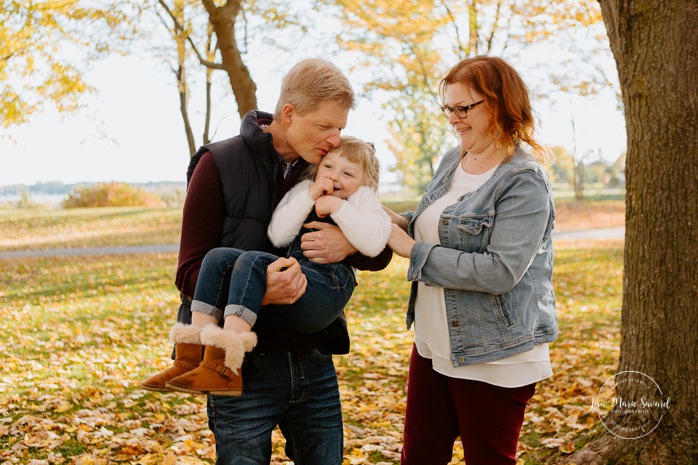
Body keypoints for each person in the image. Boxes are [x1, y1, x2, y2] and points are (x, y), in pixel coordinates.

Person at [141, 58, 392, 464]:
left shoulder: (331, 166)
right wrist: (262, 292)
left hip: (313, 360)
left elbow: (379, 250)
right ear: (288, 114)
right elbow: (189, 271)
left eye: (341, 128)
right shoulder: (218, 163)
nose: (334, 139)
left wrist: (346, 244)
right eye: (325, 126)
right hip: (244, 372)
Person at [384, 56, 558, 465]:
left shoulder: (523, 180)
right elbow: (438, 224)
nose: (454, 119)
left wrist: (411, 250)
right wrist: (394, 221)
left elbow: (500, 271)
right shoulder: (453, 158)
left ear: (500, 104)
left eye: (464, 108)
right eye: (449, 108)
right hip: (431, 345)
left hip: (494, 353)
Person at [148, 136, 390, 397]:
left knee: (252, 260)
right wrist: (309, 196)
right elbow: (280, 232)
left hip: (325, 290)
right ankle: (191, 356)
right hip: (299, 277)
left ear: (366, 184)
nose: (334, 177)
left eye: (348, 173)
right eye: (328, 167)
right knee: (218, 257)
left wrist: (340, 212)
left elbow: (376, 242)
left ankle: (227, 367)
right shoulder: (311, 191)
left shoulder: (365, 202)